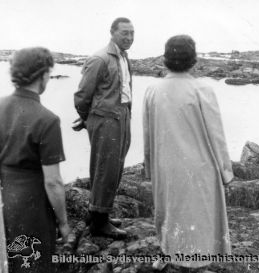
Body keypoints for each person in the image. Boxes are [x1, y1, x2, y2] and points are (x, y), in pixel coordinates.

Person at [143, 35, 233, 272]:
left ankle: (168, 252)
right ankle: (199, 264)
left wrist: (149, 167)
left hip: (166, 165)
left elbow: (148, 134)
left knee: (169, 210)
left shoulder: (153, 90)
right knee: (198, 215)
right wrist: (225, 172)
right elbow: (217, 135)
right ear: (194, 60)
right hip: (199, 165)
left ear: (165, 60)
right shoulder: (202, 89)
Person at [0, 47, 71, 273]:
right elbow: (53, 182)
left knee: (11, 261)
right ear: (42, 75)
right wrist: (63, 223)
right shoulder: (47, 120)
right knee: (36, 263)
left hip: (6, 199)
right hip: (33, 205)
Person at [73, 17, 134, 239]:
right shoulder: (100, 58)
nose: (129, 37)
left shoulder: (124, 58)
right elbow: (82, 96)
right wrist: (87, 118)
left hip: (122, 116)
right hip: (106, 119)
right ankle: (99, 222)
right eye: (124, 33)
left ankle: (98, 213)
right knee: (105, 168)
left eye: (132, 33)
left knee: (115, 168)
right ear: (112, 33)